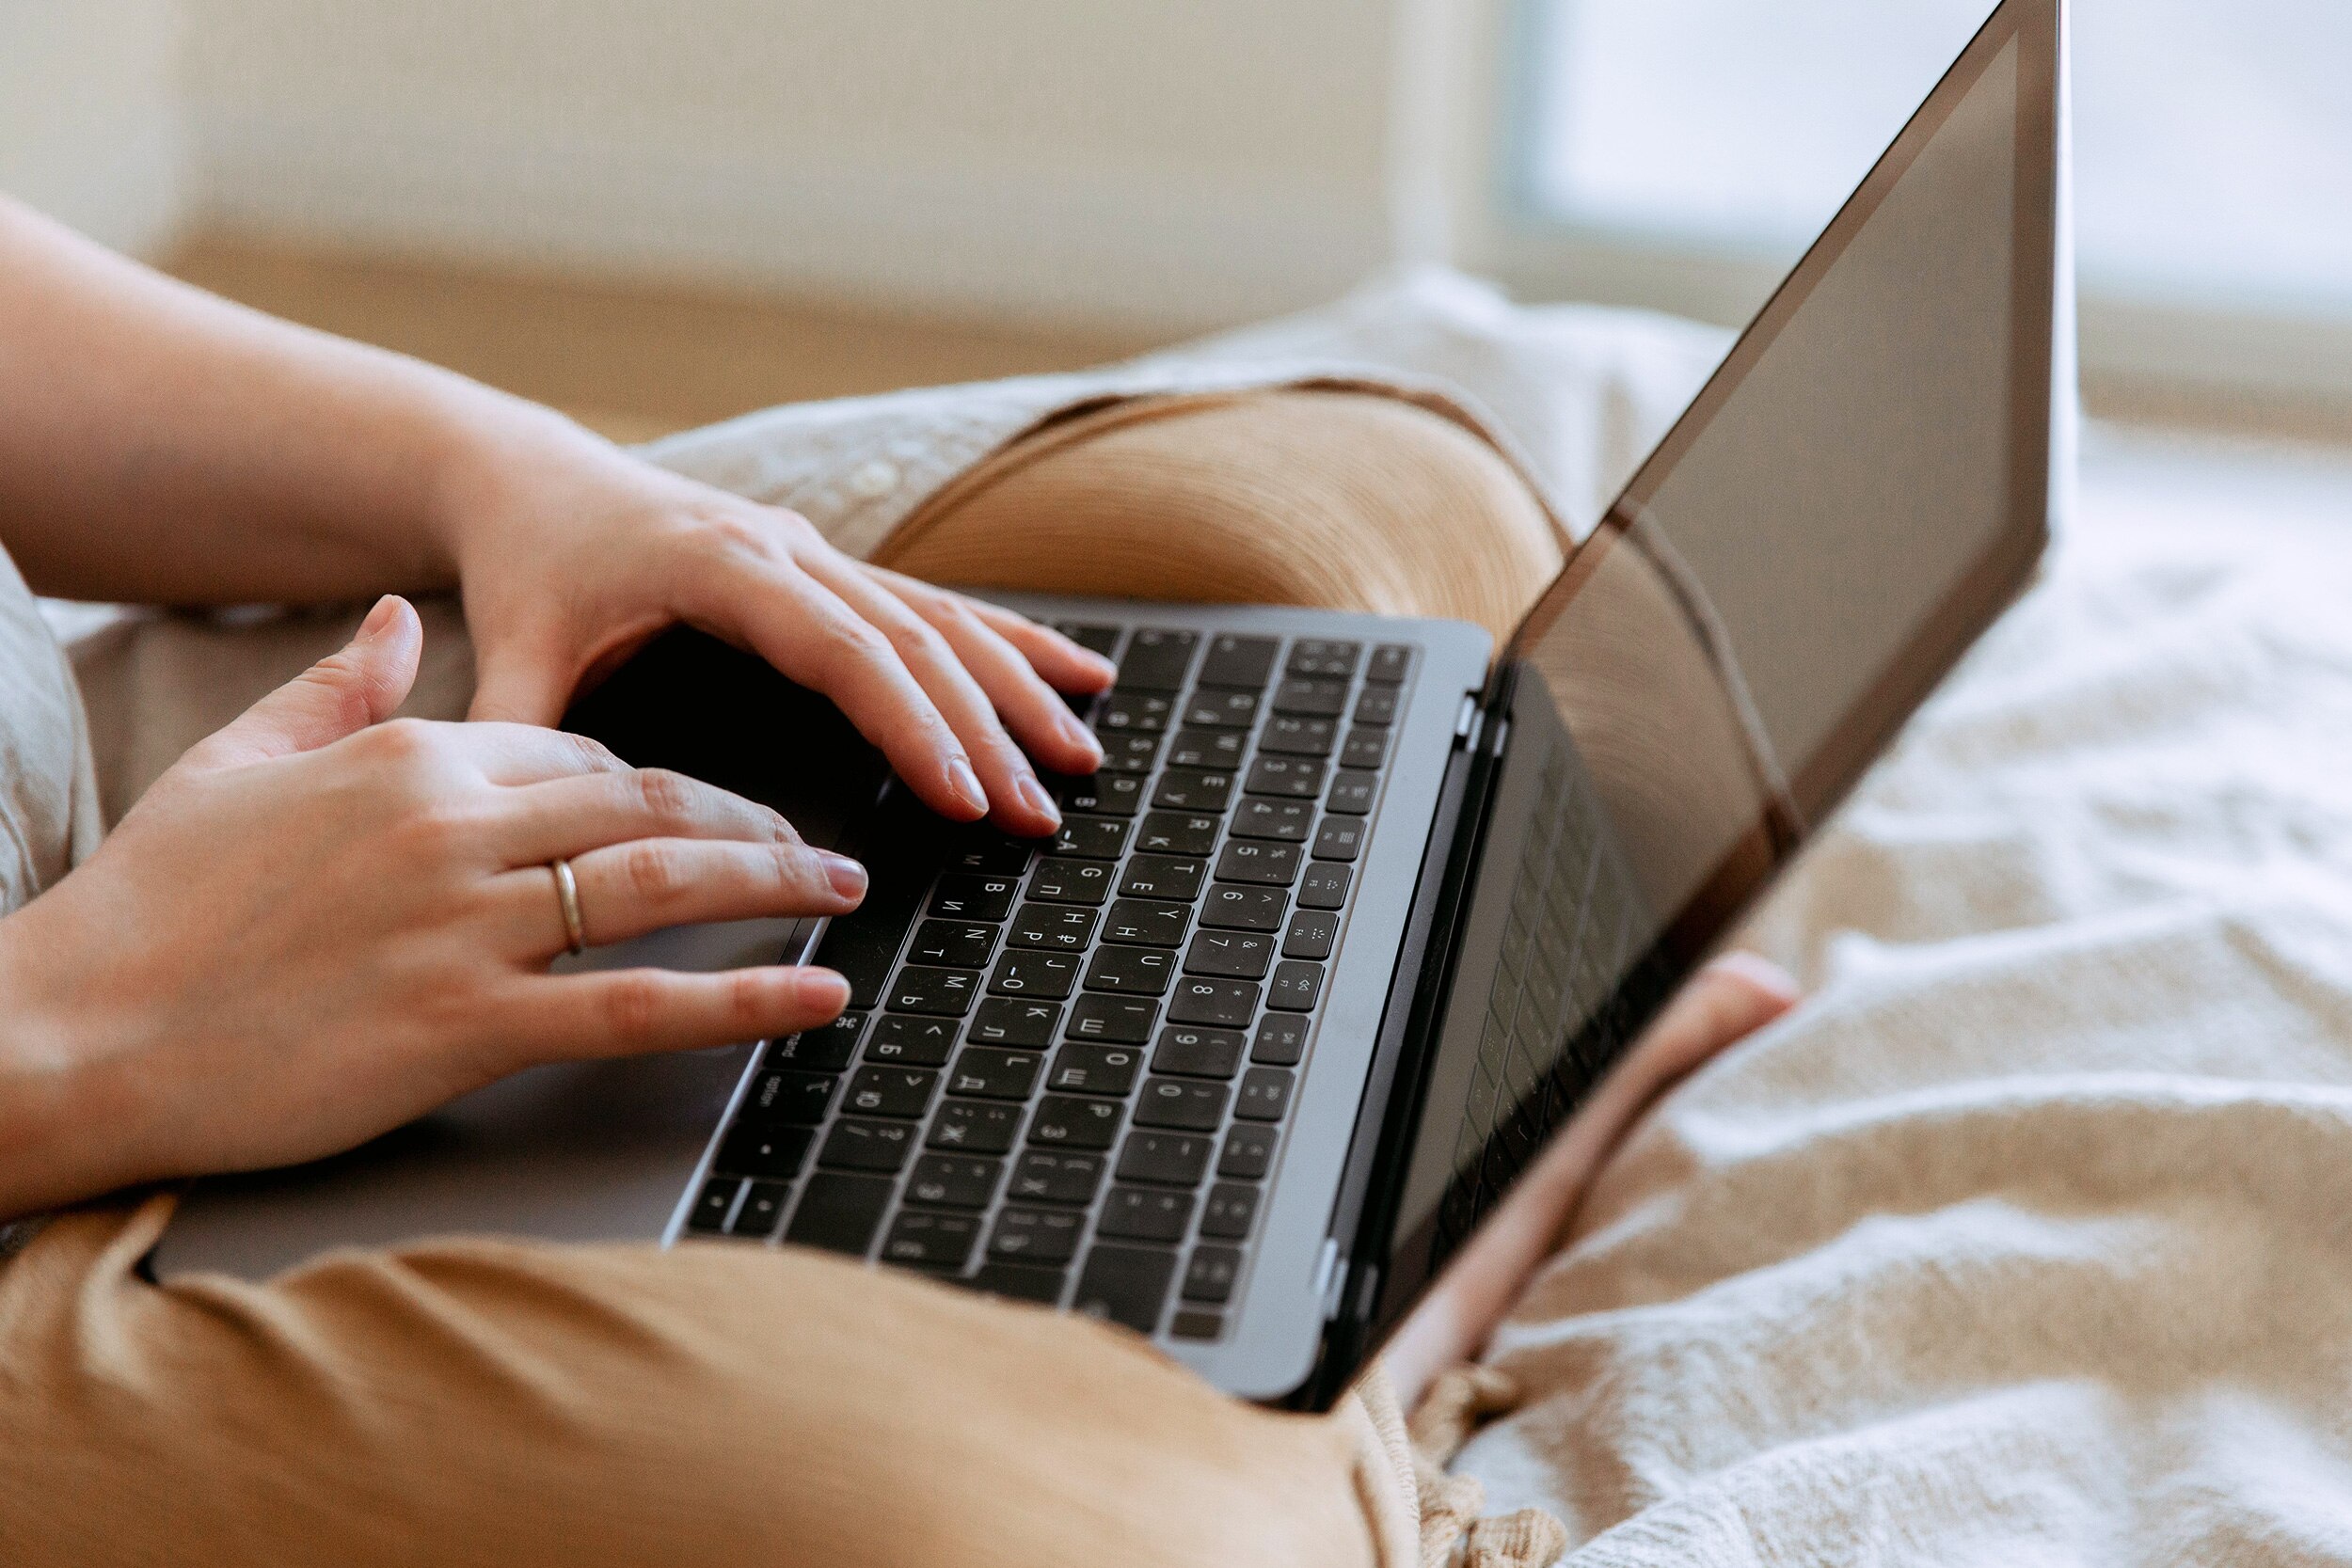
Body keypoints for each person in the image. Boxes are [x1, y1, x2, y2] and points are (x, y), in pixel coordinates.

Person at [0, 193, 1796, 1566]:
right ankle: (1390, 1319)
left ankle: (1297, 1254)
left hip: (82, 806)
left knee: (1360, 528)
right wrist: (90, 1027)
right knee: (1040, 1535)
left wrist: (515, 478)